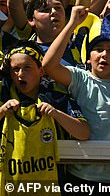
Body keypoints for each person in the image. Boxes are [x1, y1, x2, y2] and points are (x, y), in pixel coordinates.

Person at [43, 6, 110, 187]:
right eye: (98, 49)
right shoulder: (79, 78)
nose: (104, 55)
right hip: (82, 174)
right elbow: (49, 65)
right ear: (88, 56)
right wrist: (71, 24)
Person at [0, 41, 90, 190]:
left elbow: (84, 132)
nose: (20, 74)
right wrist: (2, 111)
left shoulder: (57, 97)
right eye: (15, 69)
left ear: (41, 71)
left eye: (27, 68)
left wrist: (56, 113)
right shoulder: (3, 96)